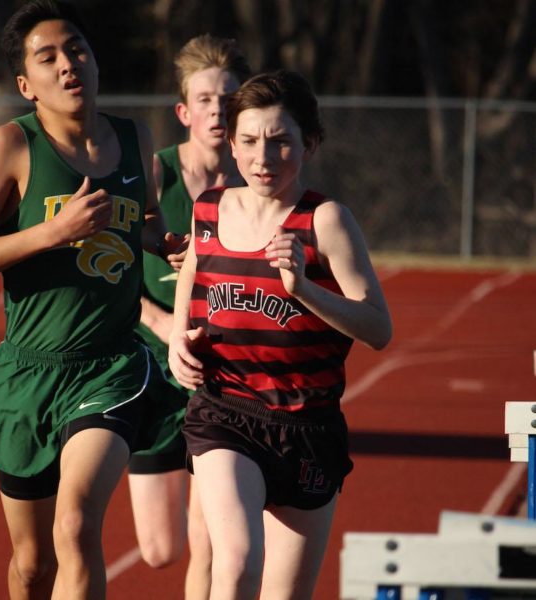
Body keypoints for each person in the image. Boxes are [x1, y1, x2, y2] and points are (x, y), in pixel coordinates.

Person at [0, 1, 185, 598]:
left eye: (76, 49)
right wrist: (52, 231)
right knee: (32, 563)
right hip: (27, 374)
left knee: (76, 525)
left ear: (96, 63)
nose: (67, 65)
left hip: (111, 368)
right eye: (47, 57)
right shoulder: (10, 147)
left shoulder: (135, 139)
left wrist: (163, 242)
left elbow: (138, 225)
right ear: (27, 85)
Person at [168, 70, 392, 599]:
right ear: (233, 143)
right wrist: (178, 340)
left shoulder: (326, 221)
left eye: (279, 141)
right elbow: (190, 276)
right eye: (248, 141)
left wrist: (304, 290)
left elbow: (379, 329)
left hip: (309, 428)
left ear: (309, 143)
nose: (262, 158)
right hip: (227, 413)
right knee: (240, 560)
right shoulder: (209, 208)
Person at [126, 34, 250, 599]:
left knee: (209, 541)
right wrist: (164, 326)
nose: (217, 111)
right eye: (205, 100)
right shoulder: (156, 173)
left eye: (227, 99)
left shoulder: (253, 188)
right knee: (159, 550)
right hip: (153, 370)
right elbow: (113, 275)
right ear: (184, 111)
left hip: (219, 383)